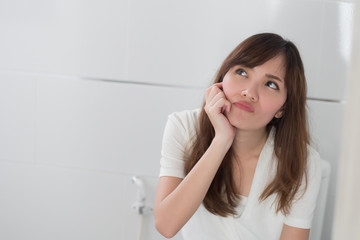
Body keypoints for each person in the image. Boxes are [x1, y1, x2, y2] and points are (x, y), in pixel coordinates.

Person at [154, 33, 322, 240]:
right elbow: (166, 225)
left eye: (270, 84)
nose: (249, 92)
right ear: (222, 78)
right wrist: (221, 141)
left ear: (283, 107)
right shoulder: (184, 127)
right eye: (242, 72)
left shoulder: (303, 162)